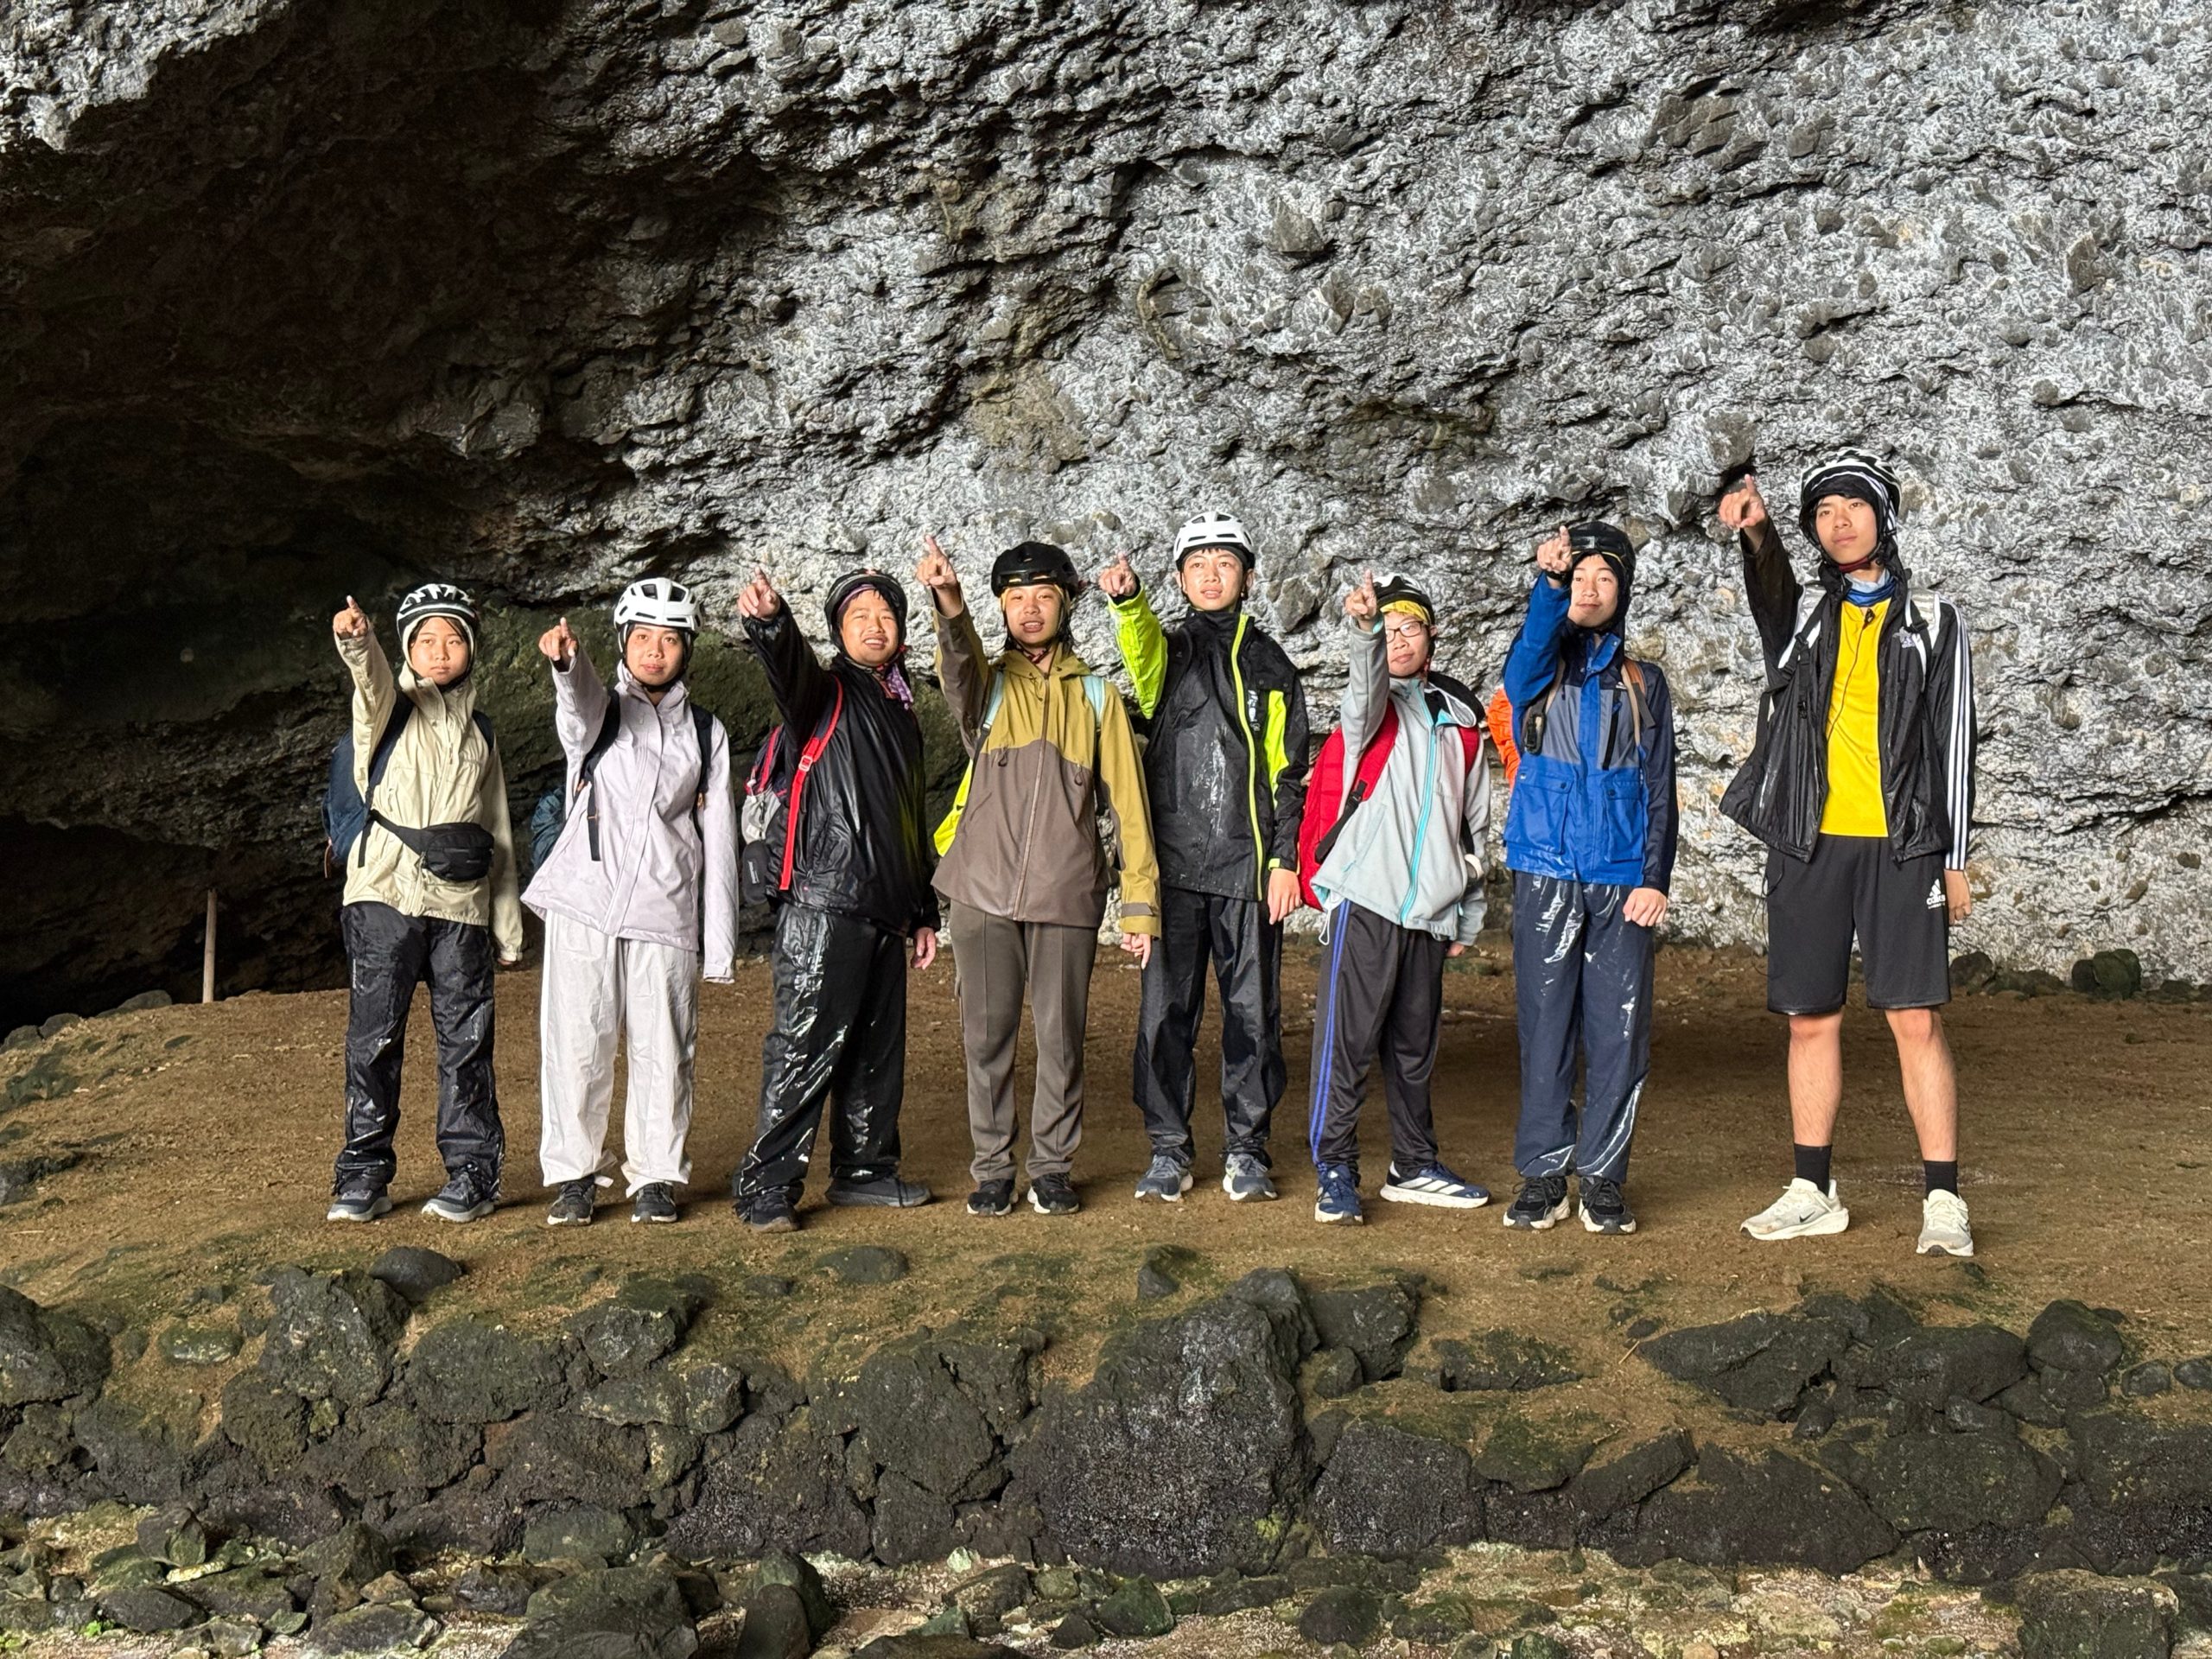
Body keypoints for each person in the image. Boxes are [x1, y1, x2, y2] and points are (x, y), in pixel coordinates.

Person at [1718, 450, 1979, 1258]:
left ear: (1883, 517)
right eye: (1824, 512)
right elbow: (1770, 591)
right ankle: (1812, 1190)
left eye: (1853, 506)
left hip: (1904, 845)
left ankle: (1944, 1199)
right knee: (1810, 1020)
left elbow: (1954, 739)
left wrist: (1954, 856)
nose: (1839, 522)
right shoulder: (1803, 616)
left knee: (1914, 1018)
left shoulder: (1934, 620)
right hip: (1809, 841)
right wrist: (1758, 533)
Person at [918, 534, 1160, 1217]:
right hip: (981, 890)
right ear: (1000, 608)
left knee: (1061, 1039)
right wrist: (949, 602)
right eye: (1016, 598)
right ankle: (994, 1169)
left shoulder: (1097, 698)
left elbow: (1131, 809)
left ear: (1065, 604)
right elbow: (957, 666)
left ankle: (1051, 1168)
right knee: (986, 1037)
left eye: (1043, 596)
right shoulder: (987, 686)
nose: (1029, 608)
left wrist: (1140, 907)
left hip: (1066, 891)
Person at [1098, 511, 1311, 1204]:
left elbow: (1288, 772)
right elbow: (1140, 651)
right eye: (1197, 564)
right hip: (1174, 870)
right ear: (1180, 579)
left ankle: (1247, 1149)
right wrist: (1128, 603)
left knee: (1253, 1016)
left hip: (1247, 869)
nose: (1211, 575)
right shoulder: (1169, 653)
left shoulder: (1271, 664)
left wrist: (1284, 861)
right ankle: (1169, 1148)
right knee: (1164, 1016)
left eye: (1225, 563)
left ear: (1247, 576)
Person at [730, 567, 942, 1231]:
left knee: (876, 1050)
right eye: (859, 617)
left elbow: (910, 819)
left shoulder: (903, 711)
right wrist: (772, 625)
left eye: (886, 615)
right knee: (804, 1041)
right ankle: (767, 1187)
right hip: (824, 898)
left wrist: (923, 911)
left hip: (885, 907)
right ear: (838, 633)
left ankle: (865, 1171)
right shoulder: (825, 694)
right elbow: (788, 669)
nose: (876, 626)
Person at [526, 579, 736, 1227]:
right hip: (584, 902)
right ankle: (575, 1175)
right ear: (622, 642)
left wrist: (719, 946)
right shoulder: (602, 712)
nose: (654, 651)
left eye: (669, 639)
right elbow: (577, 705)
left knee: (664, 1050)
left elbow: (720, 837)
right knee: (576, 1042)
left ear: (687, 649)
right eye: (642, 637)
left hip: (663, 909)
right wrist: (568, 664)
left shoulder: (707, 732)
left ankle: (655, 1177)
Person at [1498, 523, 1679, 1236]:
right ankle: (1544, 1176)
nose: (1591, 589)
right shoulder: (1540, 667)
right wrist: (1548, 586)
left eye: (1605, 578)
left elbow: (1660, 784)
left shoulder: (1643, 683)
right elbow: (1520, 674)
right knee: (1545, 1028)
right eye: (1580, 577)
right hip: (1545, 866)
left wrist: (1655, 876)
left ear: (1623, 591)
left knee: (1618, 1032)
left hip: (1620, 875)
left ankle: (1604, 1177)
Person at [327, 584, 523, 1224]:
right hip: (385, 895)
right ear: (408, 648)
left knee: (467, 1045)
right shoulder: (386, 711)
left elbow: (497, 829)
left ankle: (473, 1176)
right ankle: (363, 1176)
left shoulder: (481, 733)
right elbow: (371, 681)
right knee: (373, 1041)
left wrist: (507, 928)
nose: (440, 651)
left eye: (454, 639)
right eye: (426, 640)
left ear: (471, 650)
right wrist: (359, 642)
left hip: (460, 908)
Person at [1306, 572, 1493, 1225]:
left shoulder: (1461, 718)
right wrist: (1363, 633)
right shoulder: (1373, 707)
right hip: (1367, 897)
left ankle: (1413, 1164)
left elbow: (1473, 825)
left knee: (1414, 1050)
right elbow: (1363, 688)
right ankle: (1334, 1167)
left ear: (1431, 635)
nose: (1398, 640)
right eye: (1388, 631)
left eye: (1409, 627)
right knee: (1347, 1043)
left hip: (1432, 912)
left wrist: (1466, 913)